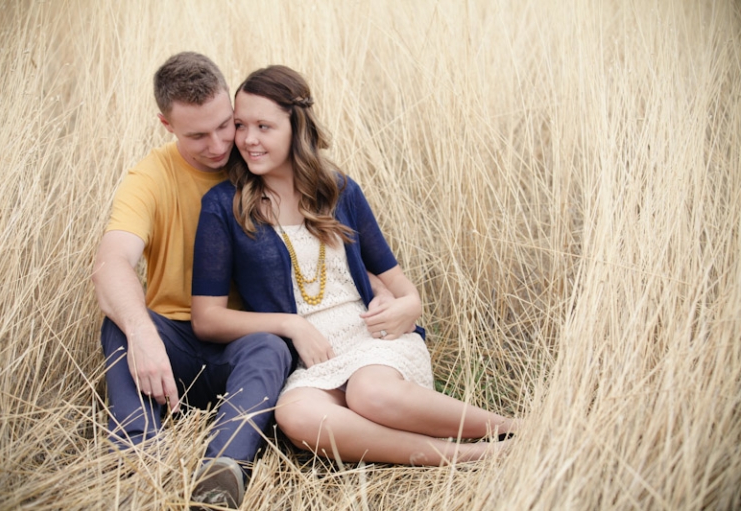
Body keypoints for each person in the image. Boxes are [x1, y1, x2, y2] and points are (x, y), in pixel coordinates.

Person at [191, 65, 520, 468]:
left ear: (297, 128)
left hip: (372, 340)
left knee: (369, 393)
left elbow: (402, 288)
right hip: (312, 359)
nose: (248, 140)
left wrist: (408, 307)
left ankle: (513, 428)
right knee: (295, 415)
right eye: (240, 125)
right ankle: (471, 456)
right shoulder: (225, 206)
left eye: (264, 126)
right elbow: (206, 319)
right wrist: (292, 325)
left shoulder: (339, 190)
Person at [92, 52, 293, 508]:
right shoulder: (150, 176)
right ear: (166, 124)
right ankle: (137, 457)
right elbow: (110, 263)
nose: (220, 144)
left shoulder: (256, 160)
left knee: (271, 346)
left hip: (242, 345)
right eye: (197, 135)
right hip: (173, 349)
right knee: (120, 322)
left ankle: (222, 472)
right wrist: (142, 333)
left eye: (226, 124)